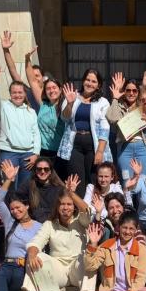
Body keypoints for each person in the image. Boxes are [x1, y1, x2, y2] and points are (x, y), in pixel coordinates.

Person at [22, 186, 96, 291]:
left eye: (69, 204)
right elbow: (36, 242)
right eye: (62, 204)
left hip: (77, 269)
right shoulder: (49, 224)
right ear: (57, 206)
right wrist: (32, 254)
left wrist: (71, 193)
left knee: (88, 256)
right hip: (58, 270)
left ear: (74, 207)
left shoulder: (81, 221)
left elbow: (87, 210)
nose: (65, 207)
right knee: (34, 255)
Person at [1, 32, 65, 167]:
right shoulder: (27, 93)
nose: (35, 78)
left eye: (38, 75)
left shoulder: (56, 99)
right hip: (37, 147)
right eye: (33, 75)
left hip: (57, 148)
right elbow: (13, 71)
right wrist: (7, 50)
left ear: (43, 77)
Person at [0, 160, 43, 291]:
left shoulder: (39, 226)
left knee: (18, 281)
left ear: (27, 206)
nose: (15, 211)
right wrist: (9, 180)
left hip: (23, 267)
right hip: (7, 264)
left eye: (18, 207)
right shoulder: (10, 222)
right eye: (12, 209)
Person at [85, 213, 146, 291]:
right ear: (118, 227)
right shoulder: (107, 246)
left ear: (136, 230)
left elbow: (141, 277)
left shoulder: (141, 249)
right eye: (125, 227)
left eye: (131, 229)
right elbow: (90, 266)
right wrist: (93, 244)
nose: (127, 232)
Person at [59, 69, 112, 197]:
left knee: (93, 180)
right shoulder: (73, 96)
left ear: (98, 85)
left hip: (93, 146)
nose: (90, 83)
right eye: (88, 80)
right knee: (76, 180)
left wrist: (99, 151)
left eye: (94, 81)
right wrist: (70, 104)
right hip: (74, 144)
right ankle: (79, 211)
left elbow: (105, 128)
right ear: (83, 81)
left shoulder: (103, 102)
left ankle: (94, 211)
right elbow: (65, 118)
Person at [0, 62, 41, 187]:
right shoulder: (3, 106)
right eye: (14, 93)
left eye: (20, 92)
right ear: (10, 94)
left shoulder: (31, 111)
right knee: (9, 186)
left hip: (28, 155)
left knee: (26, 187)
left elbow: (36, 133)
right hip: (9, 153)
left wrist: (36, 153)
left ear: (25, 94)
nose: (17, 95)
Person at [107, 73, 146, 188]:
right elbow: (112, 118)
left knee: (142, 182)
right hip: (125, 147)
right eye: (128, 90)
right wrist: (115, 98)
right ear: (124, 91)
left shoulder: (143, 105)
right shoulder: (119, 105)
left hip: (142, 147)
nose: (131, 93)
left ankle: (140, 206)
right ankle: (127, 206)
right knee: (127, 181)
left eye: (135, 91)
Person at [16, 157, 65, 223]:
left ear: (50, 171)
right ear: (35, 171)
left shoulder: (58, 188)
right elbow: (15, 198)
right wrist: (10, 180)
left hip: (53, 224)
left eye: (46, 169)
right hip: (34, 223)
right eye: (39, 169)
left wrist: (71, 192)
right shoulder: (29, 184)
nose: (42, 171)